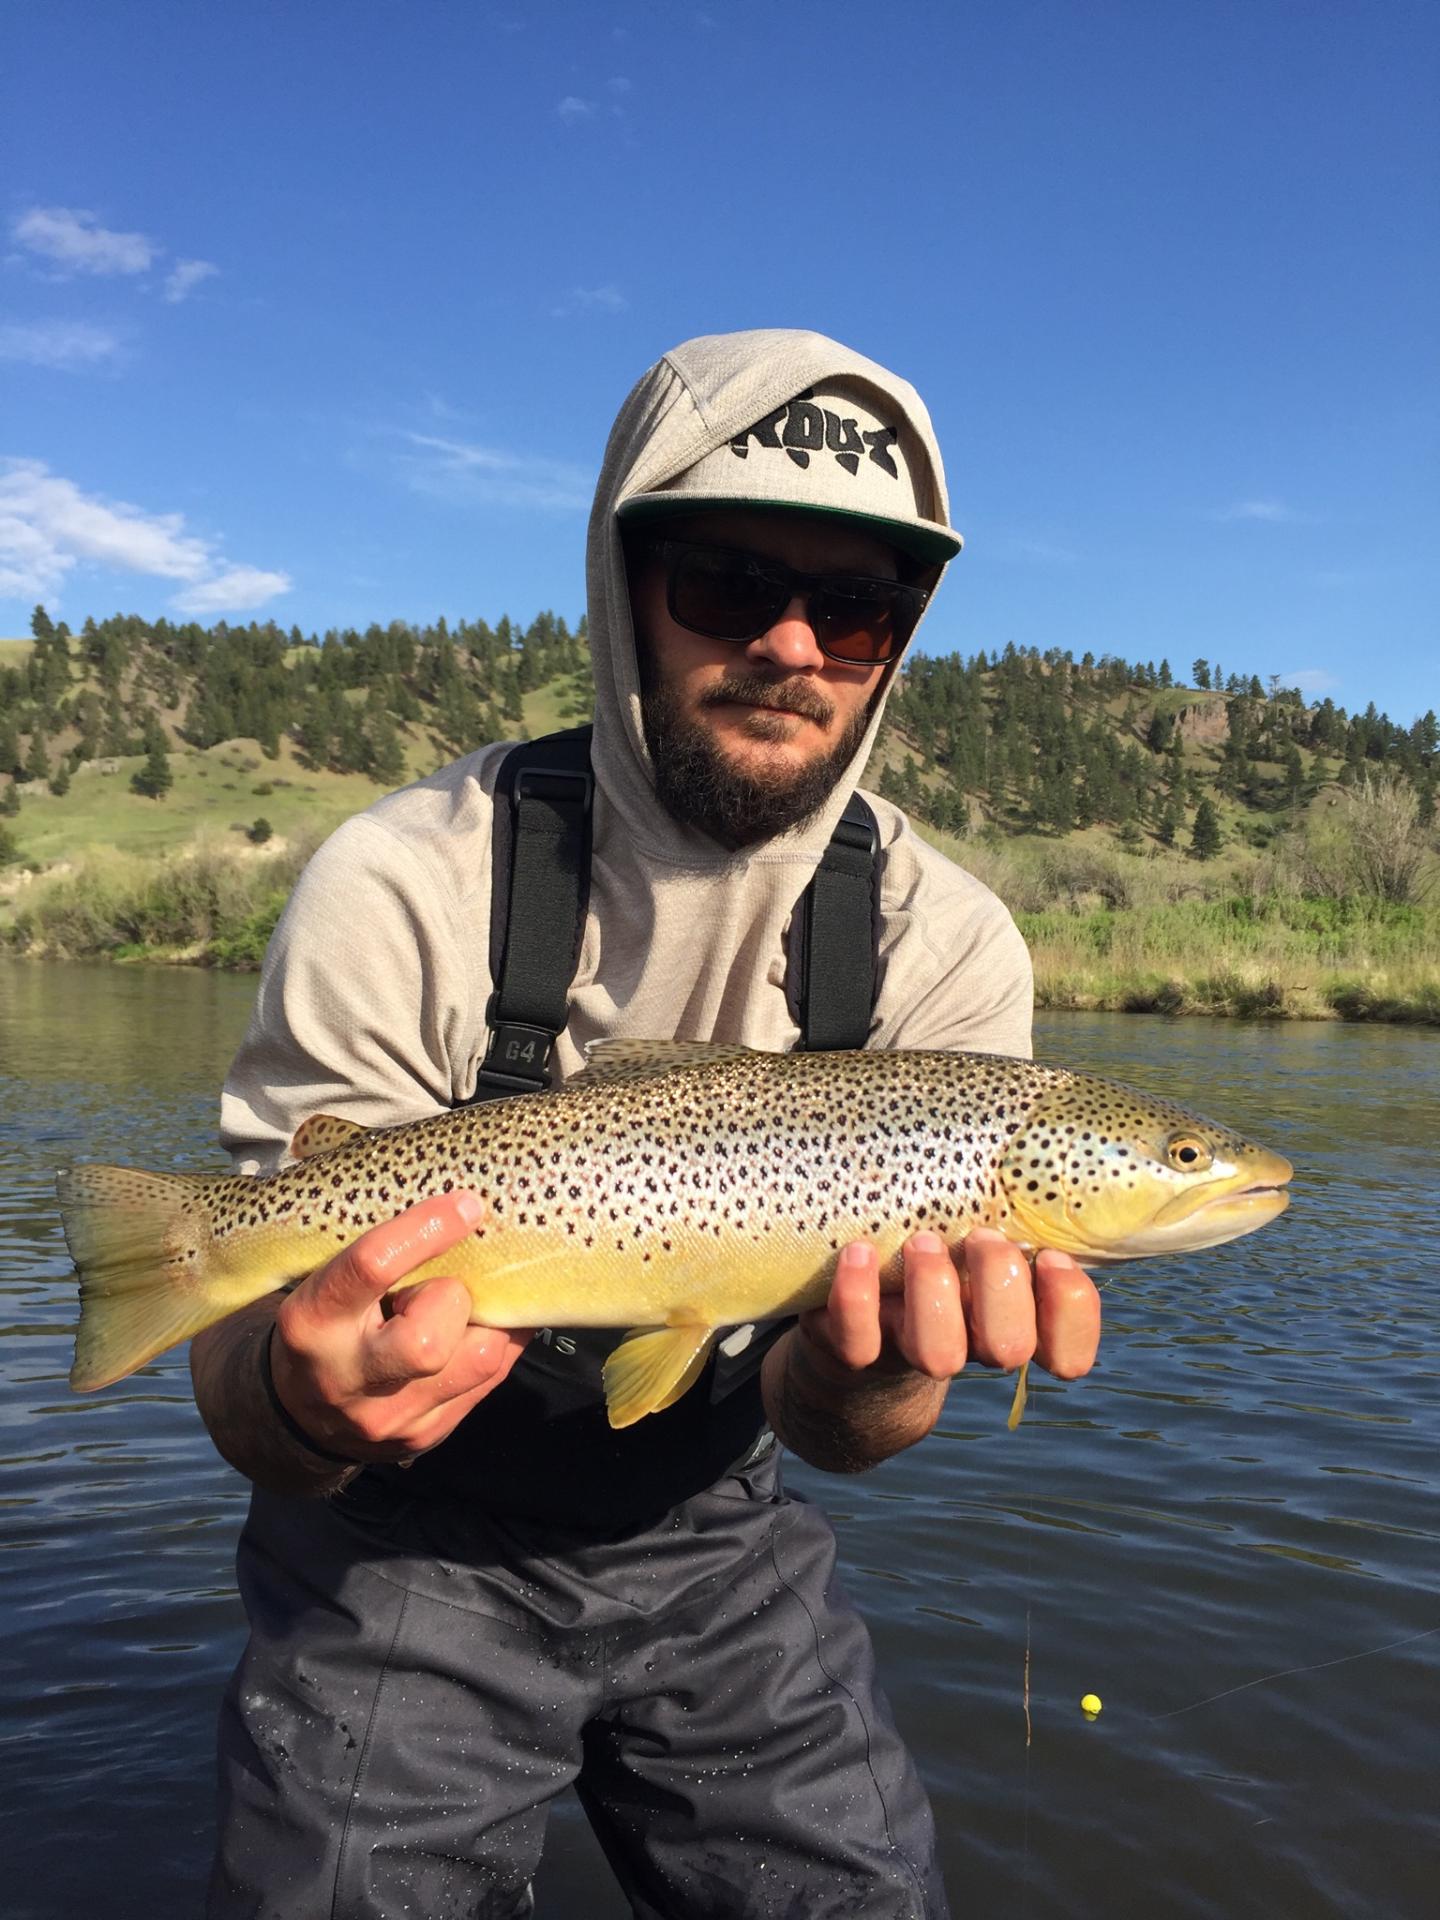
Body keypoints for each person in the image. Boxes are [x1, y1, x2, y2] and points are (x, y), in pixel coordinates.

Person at [193, 328, 1102, 1919]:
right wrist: (300, 1388)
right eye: (733, 581)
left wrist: (883, 1363)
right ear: (623, 581)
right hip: (402, 1538)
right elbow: (244, 1399)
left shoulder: (950, 947)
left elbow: (844, 1433)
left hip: (718, 1530)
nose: (797, 644)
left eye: (863, 607)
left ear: (902, 637)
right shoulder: (407, 878)